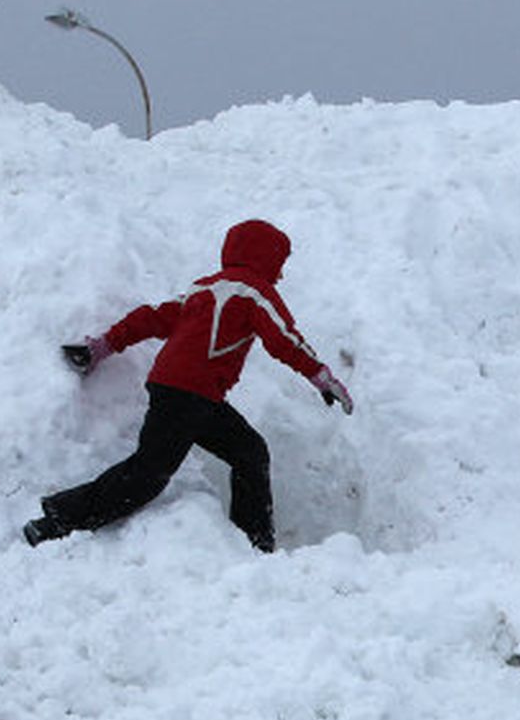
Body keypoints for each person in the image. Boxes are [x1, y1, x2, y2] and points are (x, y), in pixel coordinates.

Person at [22, 219, 352, 552]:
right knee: (147, 475)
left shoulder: (204, 290)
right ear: (264, 256)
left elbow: (150, 317)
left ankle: (254, 544)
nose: (280, 274)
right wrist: (322, 378)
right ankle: (58, 520)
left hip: (193, 395)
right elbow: (284, 339)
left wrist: (101, 346)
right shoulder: (253, 291)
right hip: (188, 394)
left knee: (250, 453)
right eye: (279, 263)